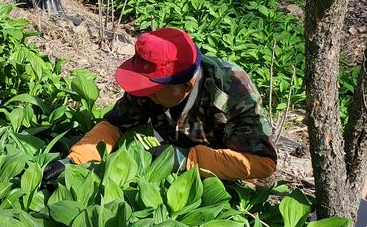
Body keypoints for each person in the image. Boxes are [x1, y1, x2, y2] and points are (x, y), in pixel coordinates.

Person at [42, 27, 277, 188]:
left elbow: (262, 163)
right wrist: (76, 161)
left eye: (152, 90)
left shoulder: (233, 92)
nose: (145, 95)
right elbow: (115, 124)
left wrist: (187, 160)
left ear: (186, 85)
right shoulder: (153, 87)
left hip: (220, 175)